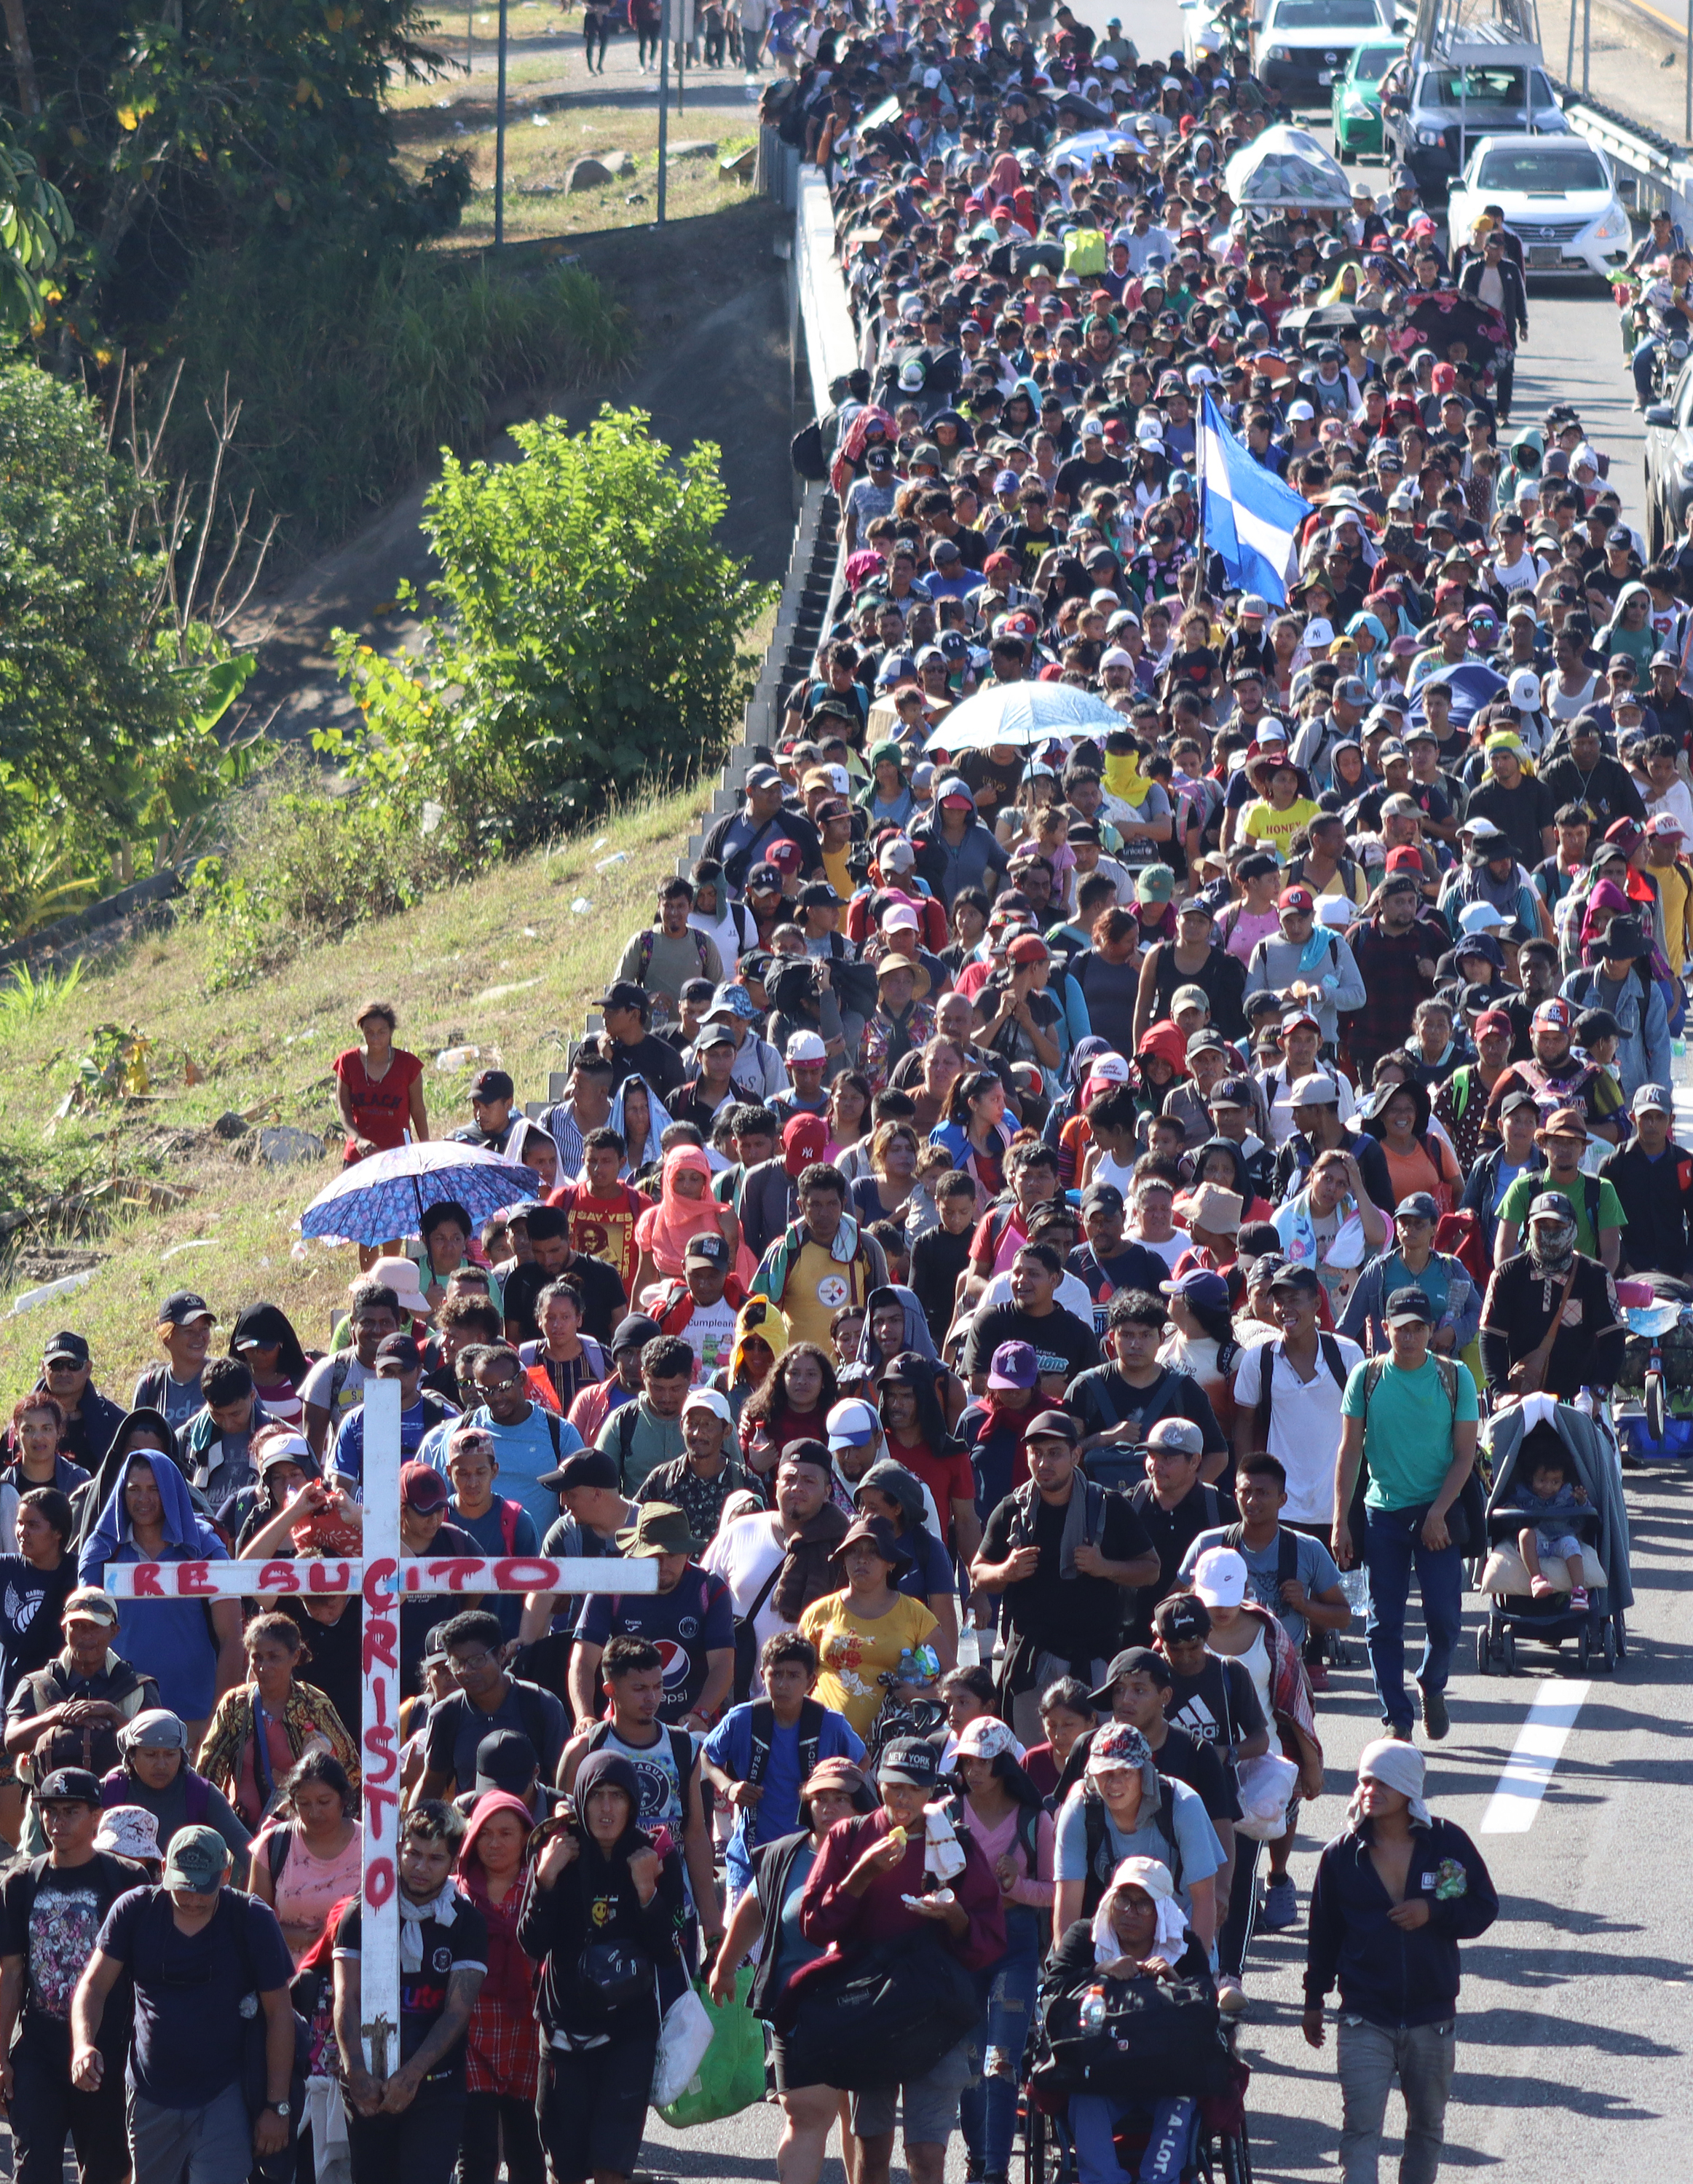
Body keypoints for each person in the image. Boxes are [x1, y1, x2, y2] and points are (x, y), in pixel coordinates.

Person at [799, 1734, 1007, 2184]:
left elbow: (988, 1942)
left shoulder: (957, 1845)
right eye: (894, 1786)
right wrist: (863, 1874)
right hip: (871, 2012)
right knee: (873, 2155)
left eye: (914, 1788)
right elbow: (814, 1925)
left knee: (928, 2157)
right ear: (878, 1784)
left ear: (932, 1790)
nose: (903, 1798)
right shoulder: (850, 1837)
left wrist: (953, 1916)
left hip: (938, 2013)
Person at [1303, 1739, 1499, 2184]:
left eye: (1382, 1781)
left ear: (1409, 1787)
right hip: (1364, 2017)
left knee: (1426, 2130)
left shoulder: (1447, 1843)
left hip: (1433, 2019)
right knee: (1360, 2130)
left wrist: (1434, 1912)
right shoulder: (1339, 1856)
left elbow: (1483, 1907)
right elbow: (1324, 1934)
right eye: (1364, 1780)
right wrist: (1314, 1999)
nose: (1369, 1790)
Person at [71, 1823, 296, 2184]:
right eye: (182, 1887)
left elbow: (279, 2015)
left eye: (202, 1888)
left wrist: (277, 2105)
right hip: (151, 2090)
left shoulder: (252, 1918)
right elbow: (93, 1987)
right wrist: (83, 2045)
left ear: (226, 1875)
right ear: (163, 1871)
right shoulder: (135, 1910)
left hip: (223, 2092)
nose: (191, 1897)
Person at [518, 1752, 687, 2184]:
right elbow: (531, 1941)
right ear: (580, 1800)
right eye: (596, 1797)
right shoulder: (557, 1849)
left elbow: (670, 1952)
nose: (606, 1809)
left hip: (629, 2030)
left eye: (617, 1797)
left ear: (633, 1803)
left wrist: (648, 1893)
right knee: (566, 2169)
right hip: (563, 2027)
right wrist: (546, 1879)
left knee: (612, 2167)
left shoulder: (655, 1856)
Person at [706, 1759, 871, 2184]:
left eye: (841, 1799)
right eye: (820, 1799)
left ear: (861, 1804)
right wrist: (725, 1967)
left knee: (864, 2122)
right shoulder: (784, 1855)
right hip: (799, 2007)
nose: (829, 1808)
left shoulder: (882, 1851)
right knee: (806, 2117)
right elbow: (752, 1912)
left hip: (870, 2007)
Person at [1335, 1289, 1480, 1744]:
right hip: (1384, 1515)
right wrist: (1340, 1519)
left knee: (1445, 1618)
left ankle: (1432, 1684)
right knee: (1384, 1622)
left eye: (1419, 1328)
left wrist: (1438, 1512)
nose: (1411, 1337)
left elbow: (1464, 1455)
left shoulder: (1455, 1377)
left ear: (1432, 1330)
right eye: (1402, 1329)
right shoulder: (1366, 1377)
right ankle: (1396, 1718)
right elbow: (1350, 1451)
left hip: (1438, 1512)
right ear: (1384, 1329)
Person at [971, 1412, 1159, 1745]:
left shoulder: (1108, 1506)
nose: (1044, 1462)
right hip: (1032, 1661)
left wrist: (1106, 1567)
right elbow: (978, 1571)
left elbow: (1150, 1569)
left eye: (1054, 1453)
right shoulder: (1013, 1509)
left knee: (1101, 1758)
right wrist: (1006, 1571)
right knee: (1034, 1765)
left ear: (1075, 1455)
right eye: (1036, 1453)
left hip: (1095, 1659)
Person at [0, 1763, 143, 2184]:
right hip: (39, 2050)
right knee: (36, 2170)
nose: (56, 1822)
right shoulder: (22, 1882)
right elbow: (11, 1975)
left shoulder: (126, 1879)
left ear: (97, 1816)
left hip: (106, 2052)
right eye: (49, 1811)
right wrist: (1, 2057)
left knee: (105, 2172)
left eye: (70, 1811)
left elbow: (141, 1974)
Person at [331, 1801, 487, 2184]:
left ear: (453, 1863)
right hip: (368, 2083)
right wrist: (355, 2071)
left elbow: (456, 2012)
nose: (421, 1867)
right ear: (398, 1849)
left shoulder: (468, 1922)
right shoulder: (361, 1913)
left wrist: (413, 2075)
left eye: (435, 1858)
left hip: (435, 2086)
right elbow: (346, 1998)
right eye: (413, 1853)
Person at [1041, 1853, 1216, 2184]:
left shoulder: (1185, 1946)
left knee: (1183, 2095)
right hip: (1100, 2069)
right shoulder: (1084, 1937)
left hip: (1167, 2073)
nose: (1129, 1913)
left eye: (1143, 1905)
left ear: (1162, 1911)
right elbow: (1051, 1993)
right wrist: (1098, 1971)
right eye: (1123, 1900)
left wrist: (1176, 1981)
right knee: (1084, 2096)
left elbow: (1208, 2011)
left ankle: (1160, 2180)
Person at [556, 1636, 721, 1963]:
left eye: (657, 1686)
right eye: (639, 1689)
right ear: (610, 1690)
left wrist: (712, 1925)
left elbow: (696, 1834)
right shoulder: (585, 1750)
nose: (652, 1698)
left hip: (672, 1904)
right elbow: (562, 1832)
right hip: (602, 1909)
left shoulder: (683, 1747)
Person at [76, 1444, 240, 1745]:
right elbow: (84, 1632)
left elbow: (232, 1637)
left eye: (154, 1489)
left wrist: (221, 1722)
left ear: (171, 1491)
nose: (143, 1499)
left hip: (196, 1715)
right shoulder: (102, 1551)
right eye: (134, 1489)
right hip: (119, 1714)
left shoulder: (205, 1546)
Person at [953, 1714, 1054, 2184]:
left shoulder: (1037, 1821)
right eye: (967, 1761)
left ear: (1005, 1765)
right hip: (959, 1944)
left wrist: (1017, 1890)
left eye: (984, 1762)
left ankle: (995, 2170)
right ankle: (976, 2158)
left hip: (1014, 1945)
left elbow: (1057, 1891)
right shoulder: (945, 1814)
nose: (973, 1771)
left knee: (1001, 2061)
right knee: (968, 2065)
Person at [701, 1629, 865, 1906]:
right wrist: (728, 1787)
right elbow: (706, 1755)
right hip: (750, 1863)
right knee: (740, 1946)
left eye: (793, 1676)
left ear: (811, 1681)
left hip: (813, 1860)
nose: (783, 1684)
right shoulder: (743, 1719)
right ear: (763, 1674)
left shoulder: (831, 1724)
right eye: (776, 1674)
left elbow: (862, 1761)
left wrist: (834, 1789)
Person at [1051, 1721, 1223, 1949]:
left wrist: (1195, 1967)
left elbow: (1204, 1899)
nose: (1114, 1783)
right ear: (1091, 1772)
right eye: (1105, 1772)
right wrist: (1069, 1968)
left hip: (1182, 1932)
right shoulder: (1078, 1809)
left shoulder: (1183, 1805)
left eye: (1125, 1772)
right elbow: (1067, 1903)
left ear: (1145, 1770)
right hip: (1114, 1934)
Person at [569, 1501, 735, 1732]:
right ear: (635, 1551)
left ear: (688, 1553)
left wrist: (701, 1713)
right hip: (622, 1726)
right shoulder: (611, 1586)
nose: (663, 1564)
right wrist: (584, 1716)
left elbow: (723, 1665)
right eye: (654, 1555)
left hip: (692, 1723)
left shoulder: (710, 1590)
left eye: (673, 1555)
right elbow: (583, 1660)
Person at [196, 1610, 359, 1832]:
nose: (264, 1667)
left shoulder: (314, 1704)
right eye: (257, 1657)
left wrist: (308, 1797)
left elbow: (350, 1767)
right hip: (244, 1832)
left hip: (302, 1832)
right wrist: (219, 1824)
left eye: (274, 1657)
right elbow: (208, 1772)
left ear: (295, 1656)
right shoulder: (236, 1704)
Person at [454, 1791, 544, 2184]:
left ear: (526, 1836)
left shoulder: (543, 1887)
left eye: (506, 1833)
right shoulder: (455, 1893)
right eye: (485, 1833)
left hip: (526, 2030)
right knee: (476, 2152)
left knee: (527, 2147)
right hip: (471, 2031)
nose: (494, 1843)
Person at [798, 1512, 941, 1741]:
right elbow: (795, 1673)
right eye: (854, 1551)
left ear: (891, 1563)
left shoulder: (915, 1614)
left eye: (873, 1552)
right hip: (821, 1743)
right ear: (843, 1559)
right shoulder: (818, 1612)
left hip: (891, 1750)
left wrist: (919, 1695)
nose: (862, 1559)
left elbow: (954, 1679)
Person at [4, 1587, 159, 1794]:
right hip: (48, 1807)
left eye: (95, 1627)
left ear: (114, 1631)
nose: (86, 1635)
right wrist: (56, 1716)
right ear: (64, 1630)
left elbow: (157, 1748)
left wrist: (112, 1713)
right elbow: (11, 1741)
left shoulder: (139, 1687)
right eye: (77, 1626)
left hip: (122, 1801)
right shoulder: (37, 1684)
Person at [1479, 1191, 1628, 1402]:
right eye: (1543, 1226)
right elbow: (1491, 1339)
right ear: (1529, 1229)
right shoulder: (1506, 1276)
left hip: (1580, 1402)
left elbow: (1613, 1340)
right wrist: (1501, 1393)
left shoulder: (1596, 1276)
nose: (1550, 1234)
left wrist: (1599, 1391)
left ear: (1574, 1230)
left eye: (1558, 1227)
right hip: (1519, 1401)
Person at [418, 1610, 567, 1802]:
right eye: (457, 1663)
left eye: (477, 1660)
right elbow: (431, 1785)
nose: (467, 1671)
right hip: (472, 1827)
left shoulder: (542, 1705)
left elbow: (563, 1785)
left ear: (501, 1654)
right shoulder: (446, 1715)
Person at [248, 1749, 363, 1964]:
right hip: (285, 1982)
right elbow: (254, 1923)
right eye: (304, 1803)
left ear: (344, 1799)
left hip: (353, 1978)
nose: (315, 1813)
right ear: (292, 1804)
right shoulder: (272, 1845)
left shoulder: (370, 1846)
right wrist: (309, 1938)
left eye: (324, 1802)